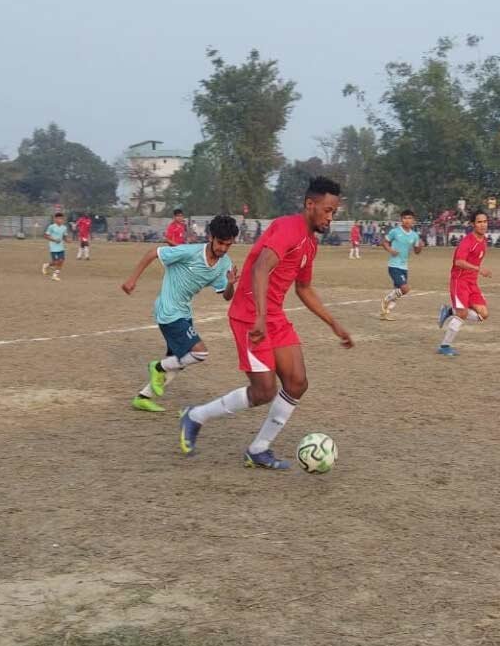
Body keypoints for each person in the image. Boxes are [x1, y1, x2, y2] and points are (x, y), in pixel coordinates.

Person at [178, 176, 353, 470]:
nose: (330, 217)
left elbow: (303, 288)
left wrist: (333, 323)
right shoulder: (287, 228)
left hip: (273, 316)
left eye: (334, 212)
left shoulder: (310, 244)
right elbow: (260, 269)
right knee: (263, 391)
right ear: (310, 204)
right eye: (327, 210)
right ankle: (195, 416)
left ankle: (258, 449)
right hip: (250, 315)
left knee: (297, 383)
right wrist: (259, 316)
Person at [121, 215, 240, 413]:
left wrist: (230, 284)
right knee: (199, 353)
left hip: (184, 311)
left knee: (179, 359)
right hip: (168, 310)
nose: (223, 249)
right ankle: (157, 367)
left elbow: (227, 297)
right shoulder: (191, 252)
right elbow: (153, 253)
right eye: (220, 243)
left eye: (228, 245)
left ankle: (143, 397)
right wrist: (131, 280)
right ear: (211, 237)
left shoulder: (224, 264)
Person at [436, 210, 490, 356]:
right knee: (462, 314)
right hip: (459, 282)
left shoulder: (483, 241)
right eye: (479, 222)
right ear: (473, 224)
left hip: (472, 284)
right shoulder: (467, 241)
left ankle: (449, 311)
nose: (483, 225)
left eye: (485, 221)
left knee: (483, 314)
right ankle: (444, 346)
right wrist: (478, 269)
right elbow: (458, 262)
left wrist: (476, 272)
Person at [379, 210, 423, 320]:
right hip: (394, 266)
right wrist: (391, 250)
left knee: (397, 292)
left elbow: (417, 251)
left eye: (409, 218)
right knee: (405, 289)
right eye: (405, 218)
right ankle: (386, 300)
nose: (407, 220)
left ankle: (385, 313)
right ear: (401, 220)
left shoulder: (414, 235)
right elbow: (384, 242)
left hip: (404, 267)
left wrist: (420, 246)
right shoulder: (395, 231)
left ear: (413, 220)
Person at [41, 212, 71, 281]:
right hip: (53, 247)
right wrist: (54, 240)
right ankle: (46, 265)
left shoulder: (64, 228)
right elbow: (45, 236)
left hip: (61, 247)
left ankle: (55, 275)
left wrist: (68, 240)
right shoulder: (51, 227)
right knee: (55, 262)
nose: (61, 220)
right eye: (59, 219)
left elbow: (64, 237)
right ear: (55, 219)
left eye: (62, 219)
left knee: (61, 261)